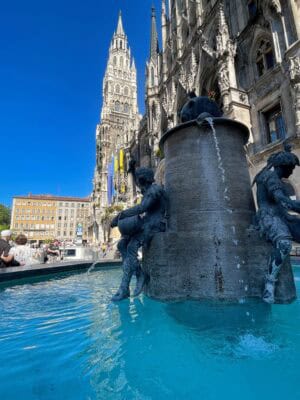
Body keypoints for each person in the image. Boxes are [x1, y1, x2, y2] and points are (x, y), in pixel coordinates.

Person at [111, 165, 168, 301]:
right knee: (122, 245)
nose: (137, 184)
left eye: (138, 180)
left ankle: (124, 288)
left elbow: (143, 207)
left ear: (143, 180)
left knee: (131, 247)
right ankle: (140, 274)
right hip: (147, 223)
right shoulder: (148, 190)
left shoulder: (154, 190)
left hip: (156, 225)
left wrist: (121, 215)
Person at [253, 144, 300, 303]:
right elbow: (282, 200)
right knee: (285, 243)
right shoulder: (270, 177)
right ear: (283, 166)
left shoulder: (271, 176)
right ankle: (269, 284)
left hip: (281, 215)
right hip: (269, 215)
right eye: (291, 168)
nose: (292, 171)